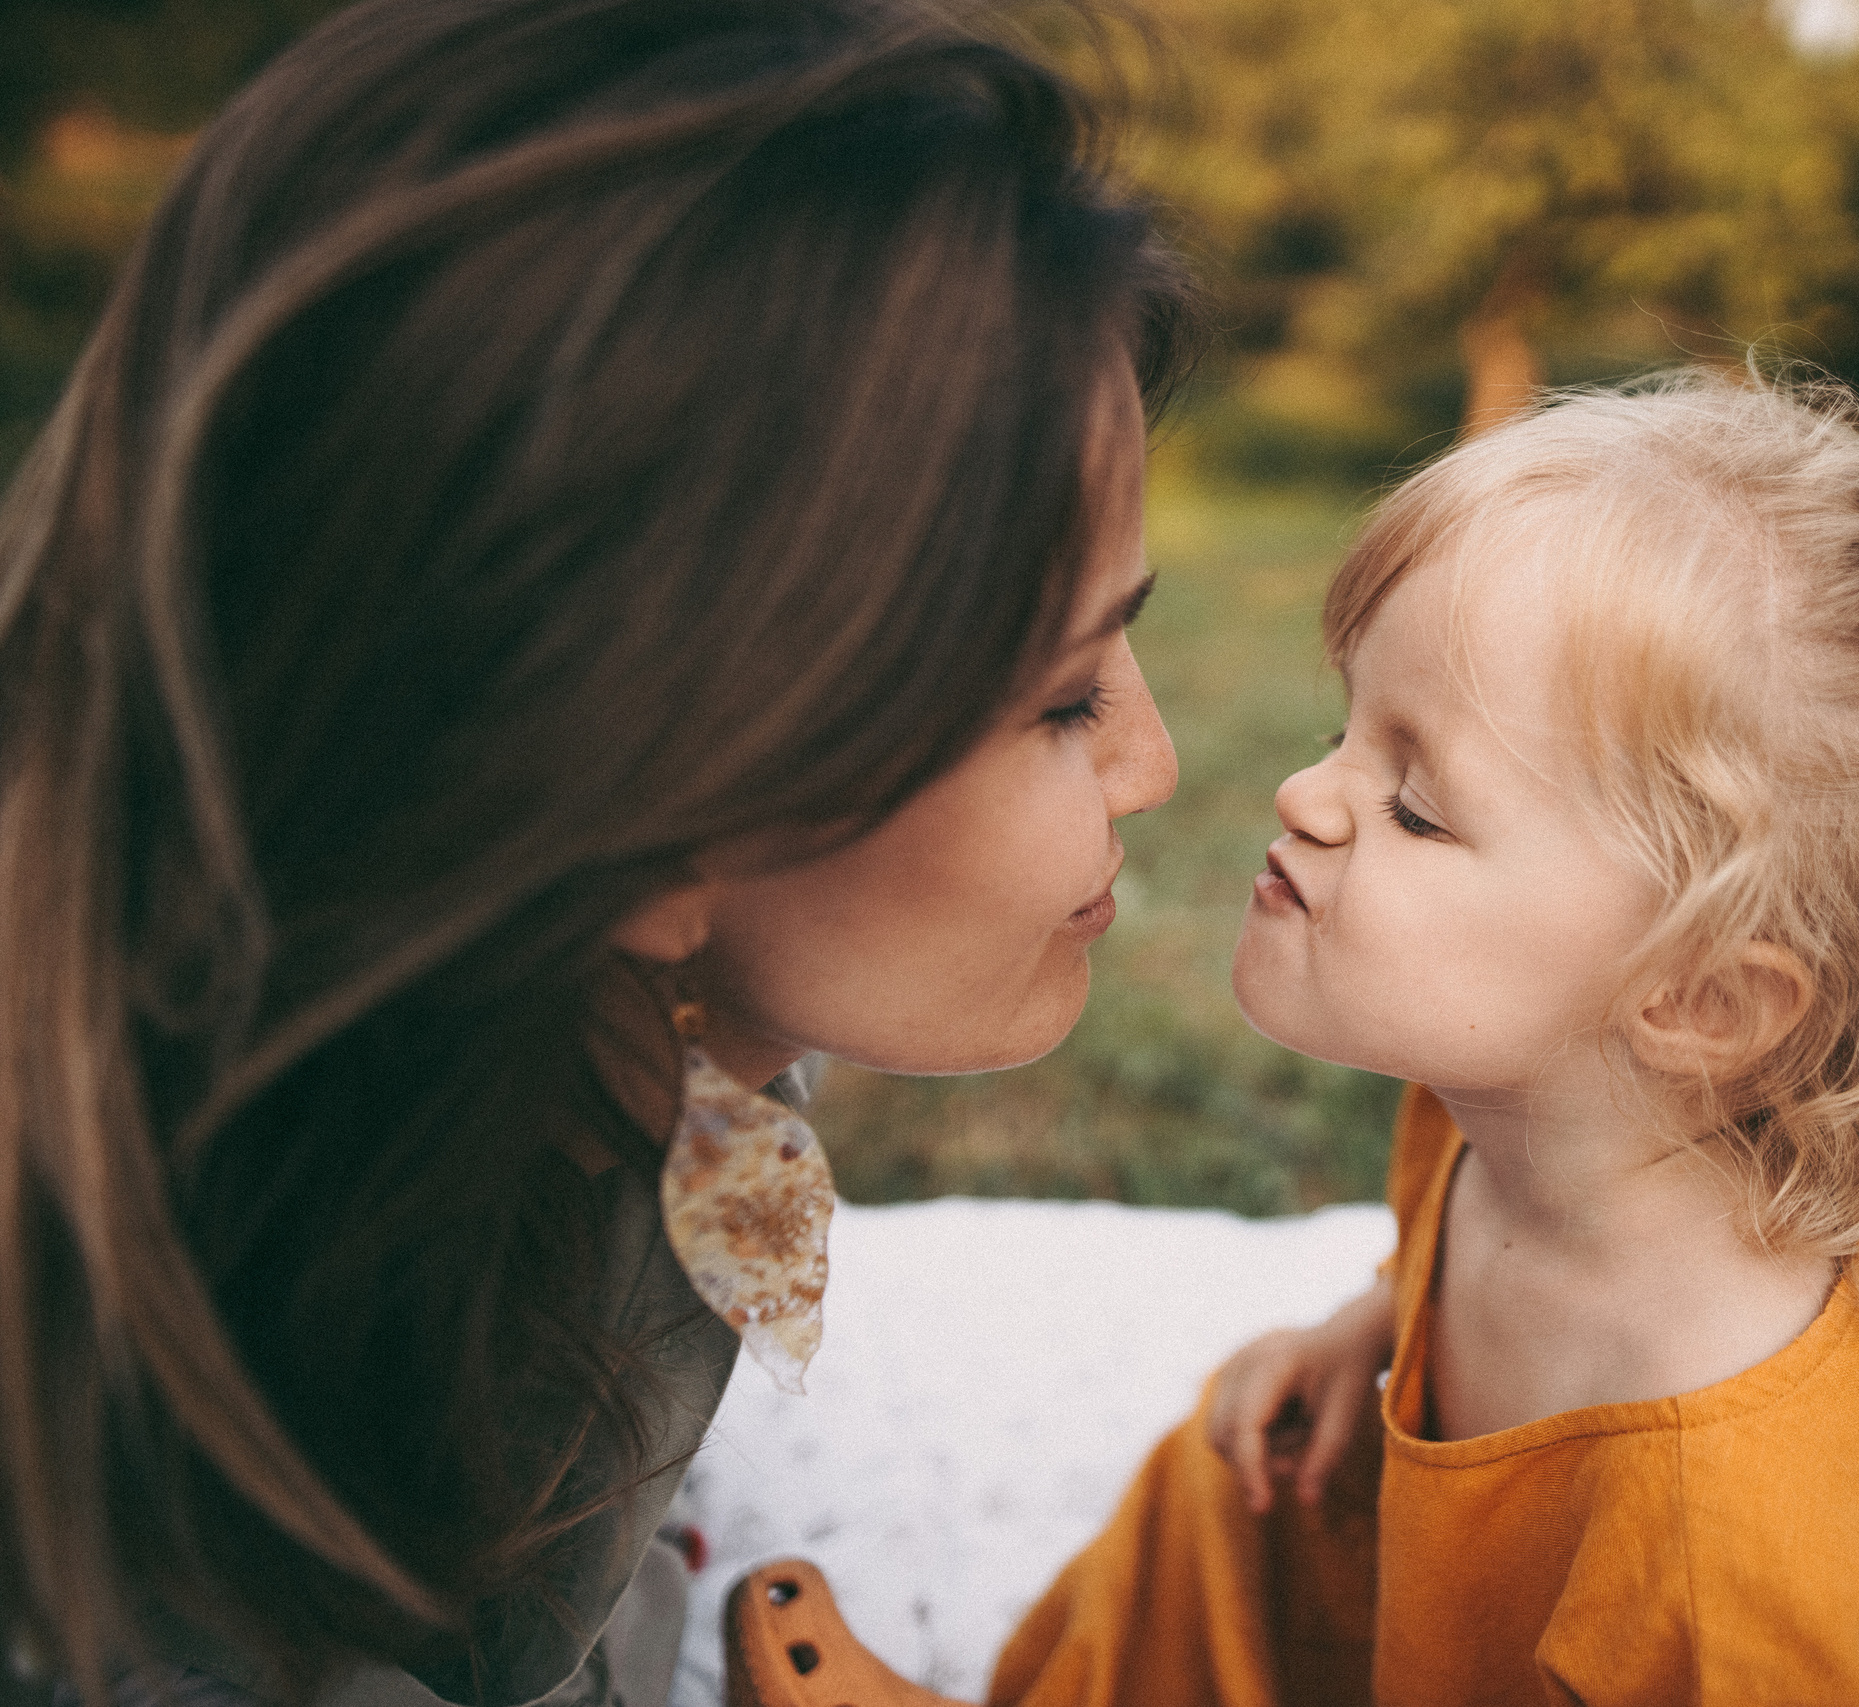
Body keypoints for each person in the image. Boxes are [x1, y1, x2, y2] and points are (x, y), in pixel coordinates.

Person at [0, 0, 1198, 1704]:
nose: (1155, 766)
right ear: (639, 801)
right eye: (1069, 697)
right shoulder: (198, 1554)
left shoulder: (645, 1046)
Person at [952, 370, 1859, 1705]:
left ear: (1702, 1000)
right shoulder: (1512, 1103)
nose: (1305, 792)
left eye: (1416, 807)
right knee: (1220, 1493)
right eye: (1337, 729)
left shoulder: (1739, 1563)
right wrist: (1368, 1334)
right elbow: (1449, 1267)